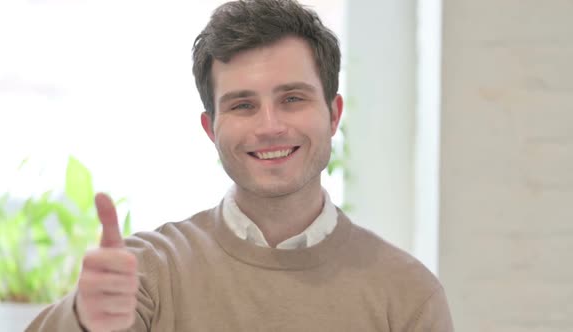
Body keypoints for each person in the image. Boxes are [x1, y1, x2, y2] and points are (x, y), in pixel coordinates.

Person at [27, 0, 454, 331]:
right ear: (211, 128)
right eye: (243, 105)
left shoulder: (407, 295)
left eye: (292, 99)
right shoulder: (149, 274)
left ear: (334, 114)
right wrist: (83, 318)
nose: (269, 127)